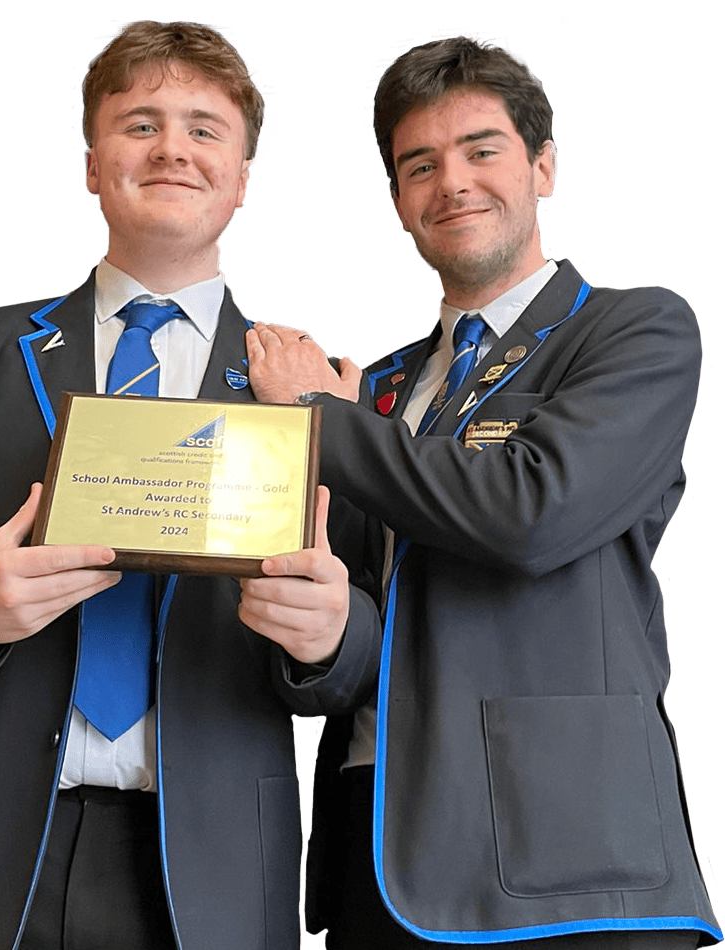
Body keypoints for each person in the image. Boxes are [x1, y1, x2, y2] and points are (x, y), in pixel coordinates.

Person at [0, 20, 381, 950]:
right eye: (140, 122)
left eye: (205, 129)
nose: (172, 149)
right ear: (90, 164)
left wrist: (328, 638)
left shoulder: (308, 387)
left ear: (241, 179)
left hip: (212, 876)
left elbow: (366, 646)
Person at [245, 34, 723, 950]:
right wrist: (317, 646)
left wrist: (315, 420)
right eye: (418, 166)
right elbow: (355, 639)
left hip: (569, 864)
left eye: (481, 150)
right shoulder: (376, 390)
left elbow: (532, 515)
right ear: (397, 205)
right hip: (376, 847)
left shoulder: (634, 330)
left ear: (543, 166)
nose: (451, 183)